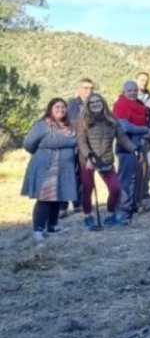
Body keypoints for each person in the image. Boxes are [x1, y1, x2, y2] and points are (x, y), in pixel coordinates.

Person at [22, 99, 79, 242]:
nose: (61, 109)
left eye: (63, 107)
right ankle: (38, 230)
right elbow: (28, 144)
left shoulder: (70, 127)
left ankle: (53, 226)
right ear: (50, 109)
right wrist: (44, 153)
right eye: (57, 107)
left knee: (58, 196)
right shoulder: (42, 125)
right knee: (45, 197)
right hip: (45, 165)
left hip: (64, 167)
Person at [77, 93, 135, 229]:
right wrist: (88, 156)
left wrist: (134, 149)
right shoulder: (83, 121)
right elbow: (81, 143)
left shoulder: (112, 119)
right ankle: (88, 216)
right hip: (88, 160)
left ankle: (110, 216)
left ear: (103, 103)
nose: (96, 104)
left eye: (98, 101)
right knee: (88, 188)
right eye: (92, 103)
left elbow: (122, 137)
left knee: (115, 188)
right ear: (88, 106)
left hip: (106, 159)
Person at [112, 80, 150, 219]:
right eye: (129, 90)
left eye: (135, 90)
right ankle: (122, 207)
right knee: (126, 178)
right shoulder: (120, 106)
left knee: (139, 177)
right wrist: (145, 130)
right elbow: (124, 127)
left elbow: (148, 120)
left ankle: (135, 204)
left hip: (140, 146)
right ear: (124, 92)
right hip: (126, 147)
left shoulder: (140, 105)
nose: (133, 92)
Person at [61, 77, 95, 217]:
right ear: (79, 89)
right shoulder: (71, 104)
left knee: (83, 175)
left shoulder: (94, 104)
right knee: (67, 174)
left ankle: (79, 203)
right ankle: (62, 206)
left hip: (87, 145)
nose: (89, 91)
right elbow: (67, 122)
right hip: (71, 144)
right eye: (85, 88)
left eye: (91, 88)